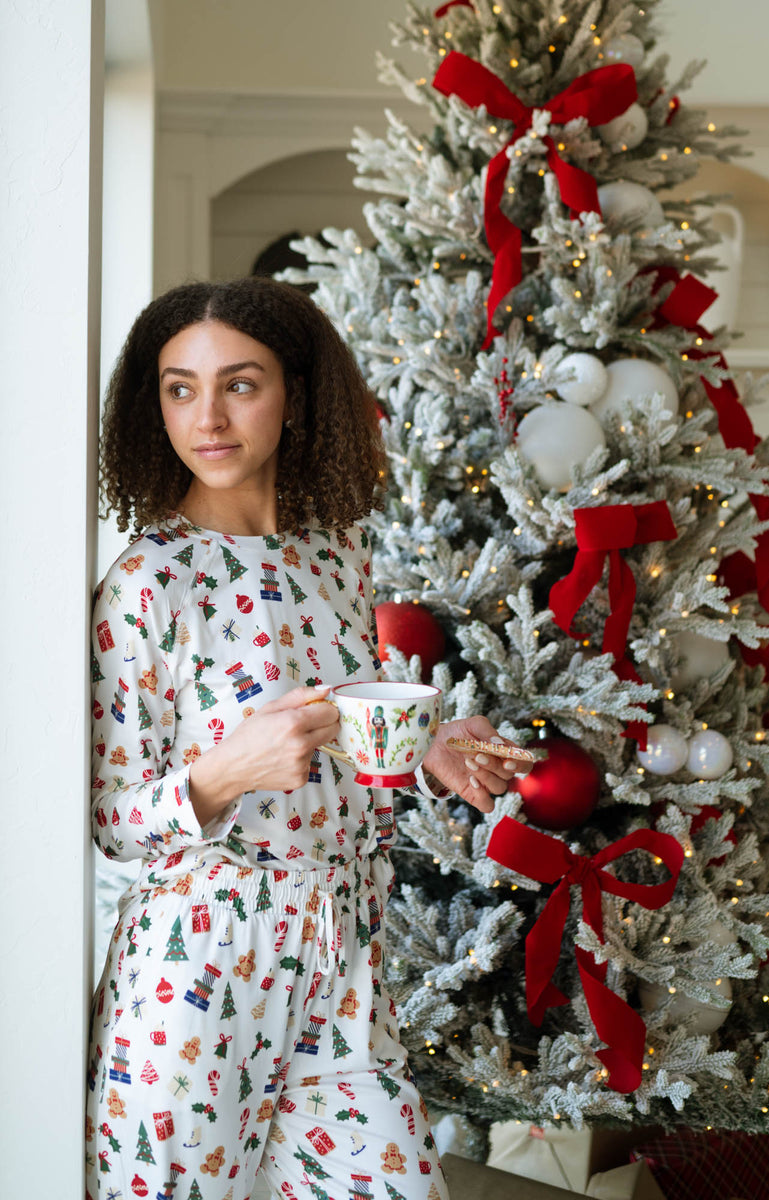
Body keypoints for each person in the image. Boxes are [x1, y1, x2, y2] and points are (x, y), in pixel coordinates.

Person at [87, 276, 529, 1200]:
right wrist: (222, 774)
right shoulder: (146, 583)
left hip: (340, 955)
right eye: (179, 388)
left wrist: (427, 743)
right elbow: (113, 821)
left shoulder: (335, 552)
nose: (207, 415)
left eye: (240, 384)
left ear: (295, 394)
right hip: (200, 965)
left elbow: (333, 719)